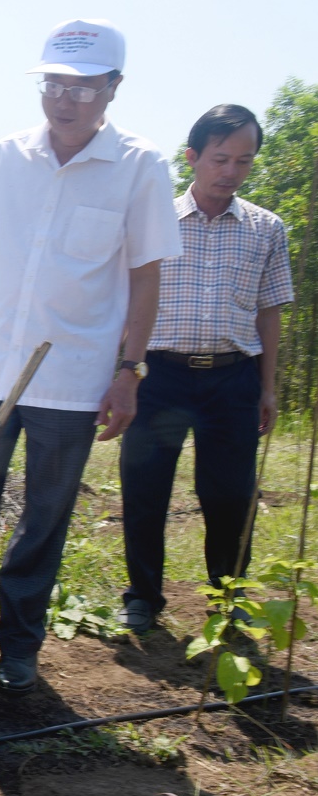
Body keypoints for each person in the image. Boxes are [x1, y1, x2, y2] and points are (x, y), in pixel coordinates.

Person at [0, 18, 183, 693]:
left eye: (82, 86)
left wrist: (129, 371)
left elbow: (144, 274)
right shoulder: (5, 157)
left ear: (112, 88)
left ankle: (17, 645)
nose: (65, 98)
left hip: (69, 380)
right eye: (54, 83)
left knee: (43, 518)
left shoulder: (138, 165)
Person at [117, 105, 293, 633]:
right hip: (160, 375)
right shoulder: (154, 224)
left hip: (232, 376)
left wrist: (268, 388)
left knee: (231, 494)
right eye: (220, 159)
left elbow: (270, 310)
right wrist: (120, 372)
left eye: (244, 161)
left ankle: (228, 594)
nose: (230, 172)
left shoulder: (267, 228)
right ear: (193, 158)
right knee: (145, 488)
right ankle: (143, 596)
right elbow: (126, 304)